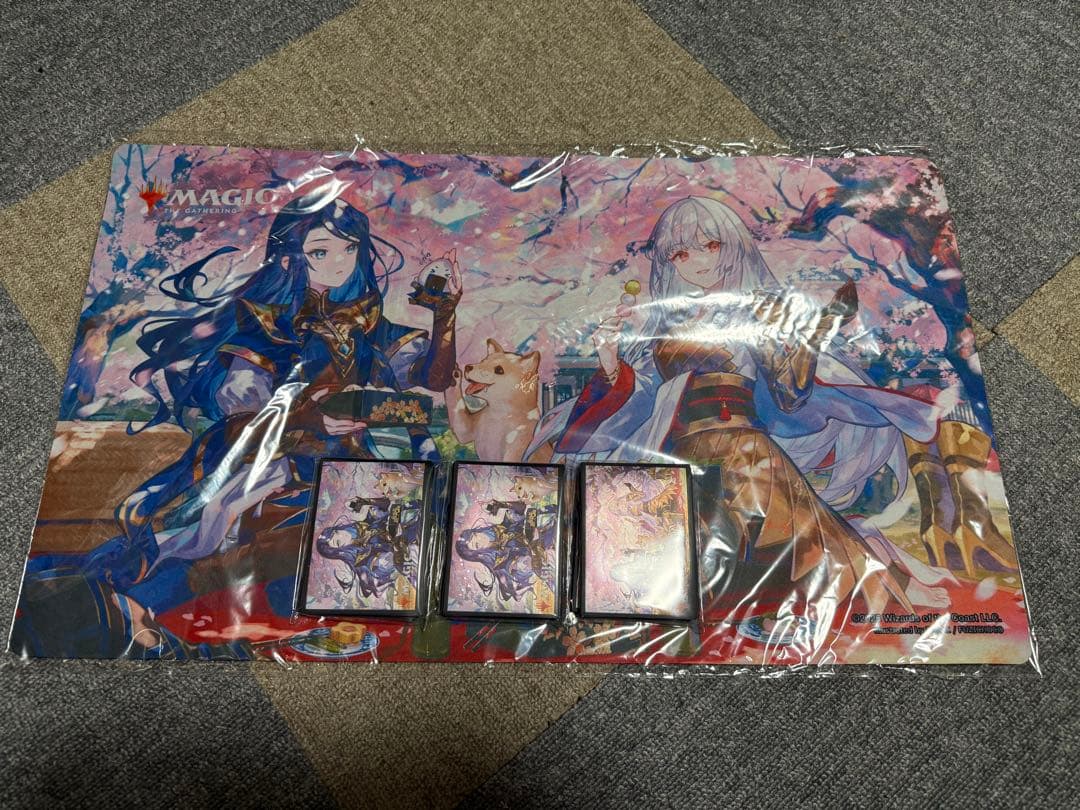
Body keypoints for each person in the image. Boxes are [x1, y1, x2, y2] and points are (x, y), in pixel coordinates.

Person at [529, 196, 956, 629]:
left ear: (732, 246)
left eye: (709, 246)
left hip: (740, 442)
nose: (697, 261)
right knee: (699, 533)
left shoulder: (758, 312)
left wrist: (818, 331)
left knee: (782, 516)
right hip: (677, 446)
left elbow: (790, 393)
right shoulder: (667, 323)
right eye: (680, 254)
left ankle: (864, 586)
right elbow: (641, 396)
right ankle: (752, 606)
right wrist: (608, 359)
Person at [80, 190, 461, 593]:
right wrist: (305, 417)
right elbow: (239, 423)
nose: (339, 261)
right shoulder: (265, 329)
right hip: (283, 460)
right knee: (212, 532)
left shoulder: (364, 322)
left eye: (349, 248)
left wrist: (445, 314)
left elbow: (436, 379)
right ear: (287, 259)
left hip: (363, 458)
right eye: (320, 251)